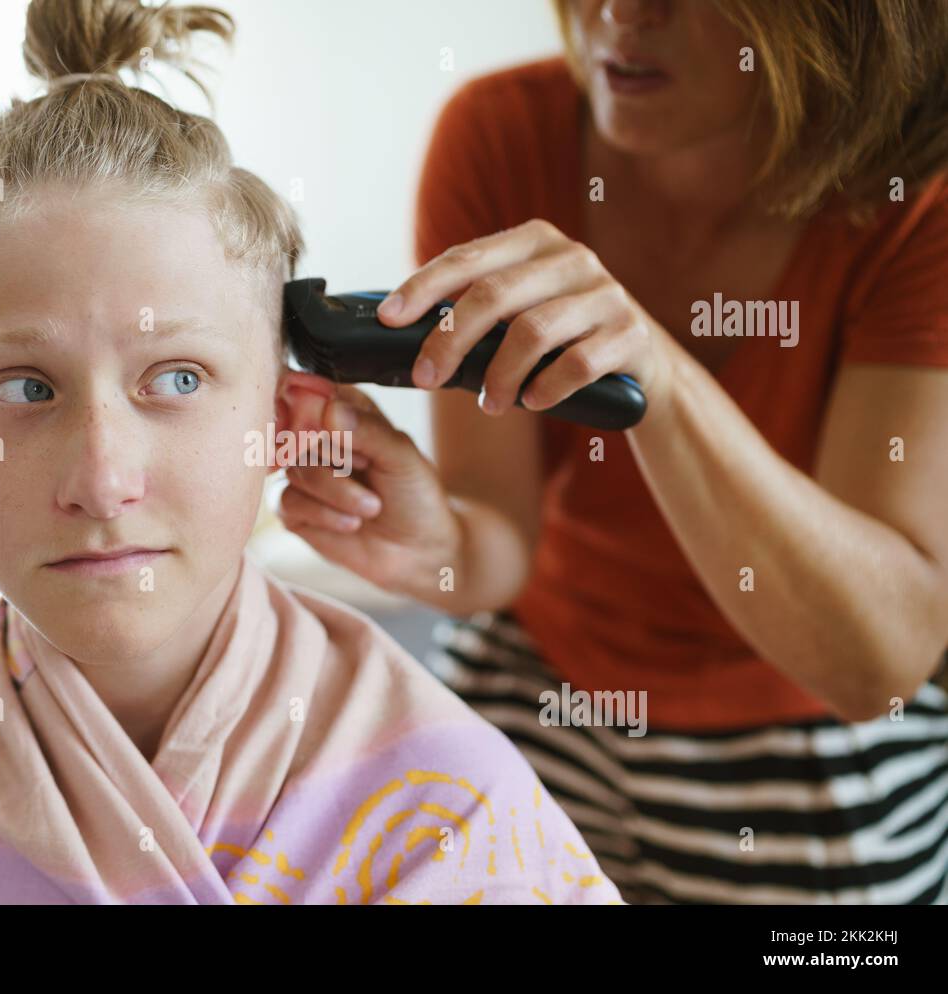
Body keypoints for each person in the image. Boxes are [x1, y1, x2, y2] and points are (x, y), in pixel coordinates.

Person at [0, 0, 622, 907]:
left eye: (177, 380)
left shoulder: (452, 814)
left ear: (285, 422)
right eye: (26, 389)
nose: (101, 481)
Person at [277, 0, 948, 904]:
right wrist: (439, 549)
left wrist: (657, 382)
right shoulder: (500, 135)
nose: (620, 14)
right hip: (539, 688)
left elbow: (878, 662)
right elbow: (499, 539)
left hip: (804, 746)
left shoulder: (919, 203)